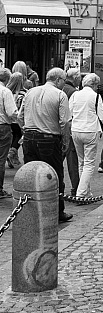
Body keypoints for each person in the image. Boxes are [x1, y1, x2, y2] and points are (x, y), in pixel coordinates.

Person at [19, 67, 72, 223]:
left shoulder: (30, 92)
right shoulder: (60, 95)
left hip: (29, 138)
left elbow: (19, 116)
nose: (64, 83)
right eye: (64, 80)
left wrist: (27, 129)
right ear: (57, 80)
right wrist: (66, 141)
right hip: (49, 139)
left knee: (32, 175)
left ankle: (32, 209)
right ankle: (57, 211)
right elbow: (65, 122)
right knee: (54, 175)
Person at [69, 73, 103, 201]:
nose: (98, 88)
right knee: (89, 164)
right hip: (90, 130)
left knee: (81, 162)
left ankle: (85, 191)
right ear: (94, 84)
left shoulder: (75, 95)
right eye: (97, 85)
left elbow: (69, 113)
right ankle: (81, 193)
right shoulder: (96, 96)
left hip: (76, 130)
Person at [61, 67, 82, 199]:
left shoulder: (61, 88)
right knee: (72, 160)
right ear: (75, 78)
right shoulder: (73, 92)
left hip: (56, 129)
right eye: (79, 78)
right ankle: (76, 188)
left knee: (58, 160)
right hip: (68, 129)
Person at [0, 67, 19, 198]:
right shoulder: (5, 92)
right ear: (7, 79)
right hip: (2, 126)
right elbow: (12, 112)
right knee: (1, 159)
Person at [5, 70, 27, 174]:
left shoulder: (6, 92)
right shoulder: (23, 94)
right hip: (18, 120)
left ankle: (10, 154)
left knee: (12, 136)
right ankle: (11, 152)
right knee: (19, 136)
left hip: (7, 120)